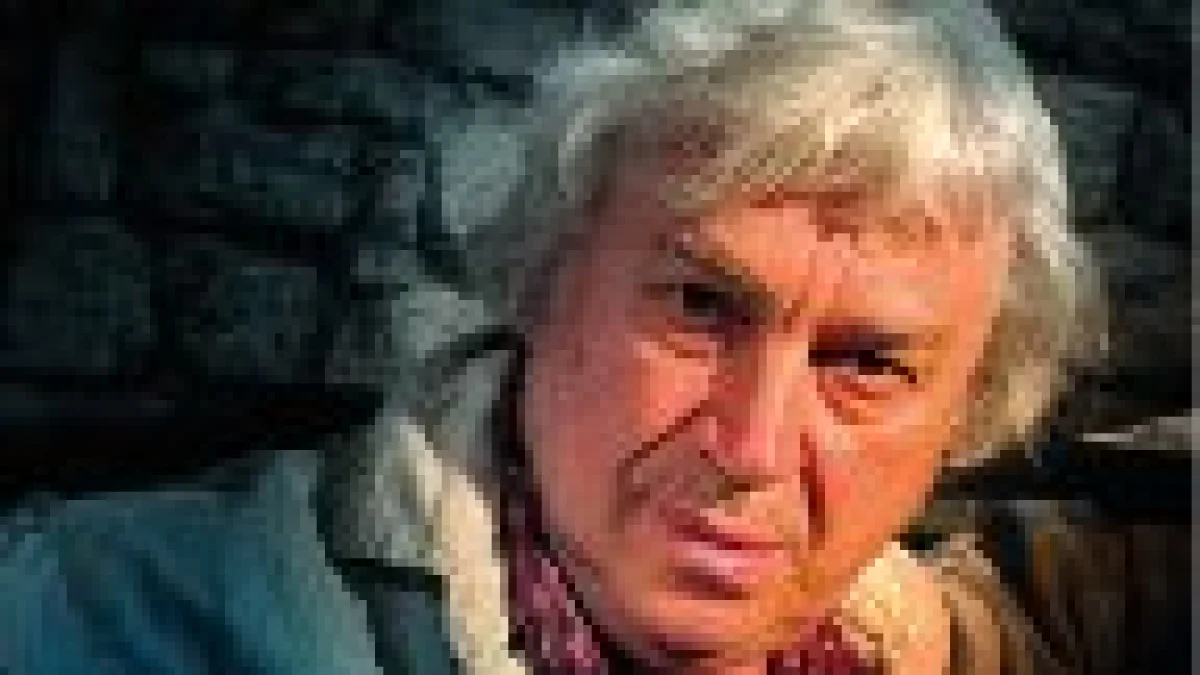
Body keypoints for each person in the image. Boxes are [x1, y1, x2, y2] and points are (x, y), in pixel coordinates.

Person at [0, 1, 1104, 673]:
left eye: (865, 364)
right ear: (543, 275)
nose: (753, 448)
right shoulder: (91, 617)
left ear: (967, 410)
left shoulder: (959, 645)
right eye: (699, 306)